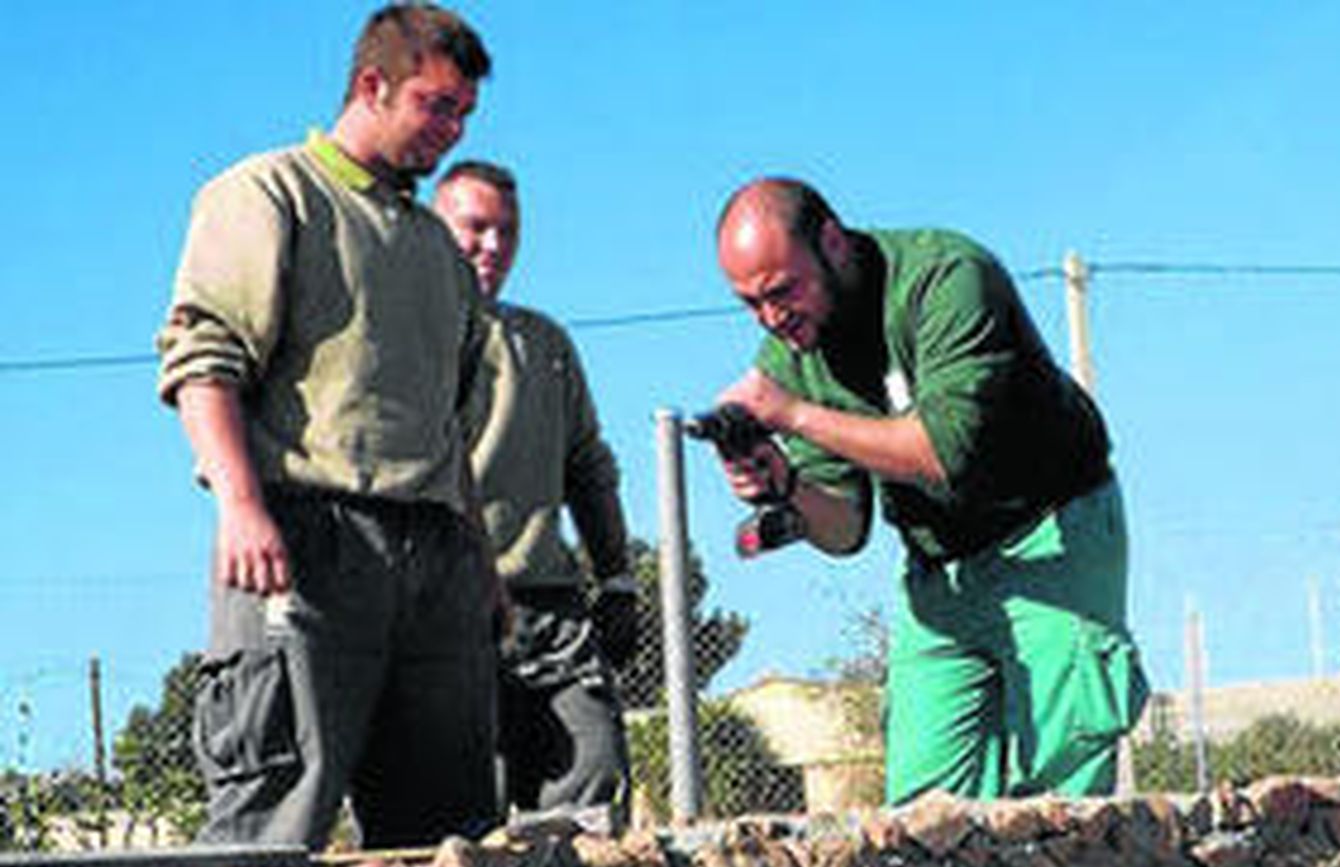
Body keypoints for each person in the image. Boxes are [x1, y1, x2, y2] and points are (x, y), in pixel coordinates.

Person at [154, 4, 498, 849]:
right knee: (272, 824)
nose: (451, 130)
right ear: (372, 85)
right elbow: (204, 362)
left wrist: (481, 561)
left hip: (435, 555)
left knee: (446, 845)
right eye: (435, 105)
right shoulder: (270, 193)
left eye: (464, 113)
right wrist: (240, 503)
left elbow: (449, 426)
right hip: (303, 542)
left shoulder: (438, 252)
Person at [710, 177, 1148, 804]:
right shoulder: (791, 357)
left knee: (1058, 804)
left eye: (783, 291)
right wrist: (785, 483)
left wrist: (794, 416)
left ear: (832, 242)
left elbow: (944, 453)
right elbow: (845, 530)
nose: (772, 318)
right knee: (919, 819)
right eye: (751, 303)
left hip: (1050, 538)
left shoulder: (946, 278)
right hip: (940, 572)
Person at [432, 160, 637, 818]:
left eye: (508, 231)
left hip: (551, 606)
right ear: (436, 227)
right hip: (448, 605)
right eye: (475, 227)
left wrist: (617, 578)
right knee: (463, 819)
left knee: (593, 792)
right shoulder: (409, 338)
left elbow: (588, 466)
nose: (494, 245)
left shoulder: (544, 344)